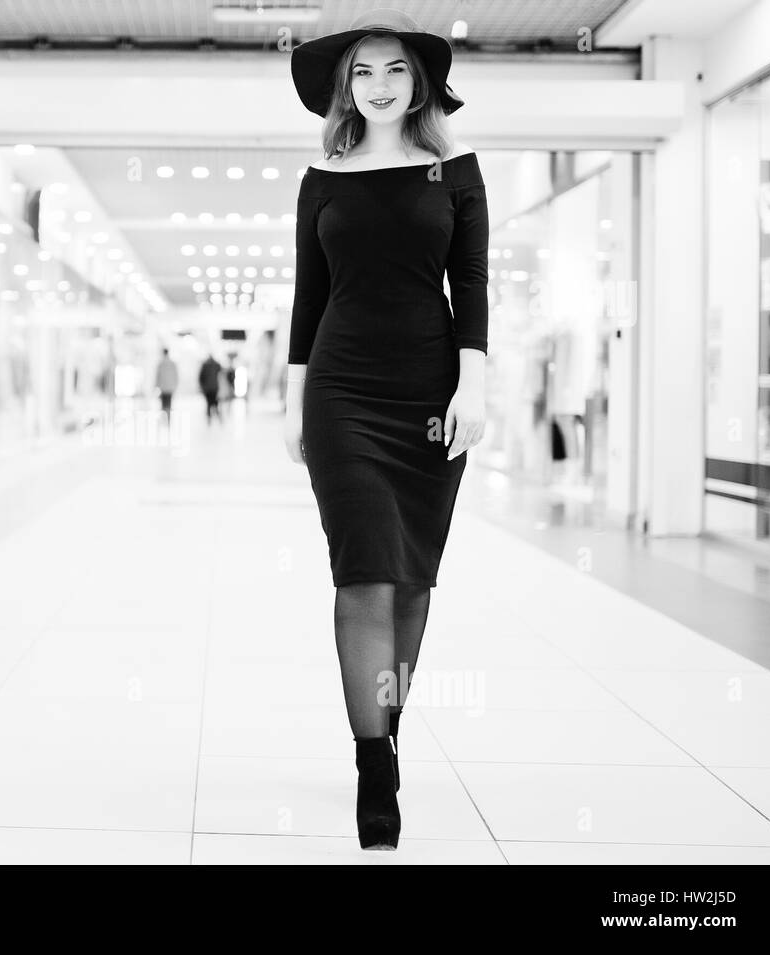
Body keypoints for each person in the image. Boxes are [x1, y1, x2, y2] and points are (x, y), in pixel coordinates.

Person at [285, 8, 488, 850]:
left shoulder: (457, 173)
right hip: (342, 391)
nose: (378, 85)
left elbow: (473, 290)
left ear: (421, 83)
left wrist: (474, 386)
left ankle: (390, 724)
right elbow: (307, 302)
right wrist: (292, 404)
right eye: (363, 72)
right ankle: (376, 766)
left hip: (430, 388)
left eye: (394, 70)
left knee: (412, 580)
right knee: (365, 570)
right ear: (345, 86)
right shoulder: (320, 179)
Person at [155, 348, 178, 427]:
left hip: (163, 387)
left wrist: (156, 386)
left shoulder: (160, 363)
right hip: (170, 387)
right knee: (169, 404)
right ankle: (168, 419)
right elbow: (176, 376)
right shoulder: (172, 363)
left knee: (163, 404)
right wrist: (175, 385)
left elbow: (157, 376)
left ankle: (164, 420)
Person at [198, 352, 223, 424]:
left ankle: (209, 419)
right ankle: (219, 419)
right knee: (215, 403)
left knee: (209, 404)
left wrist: (202, 387)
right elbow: (221, 374)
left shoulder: (205, 365)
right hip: (215, 387)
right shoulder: (216, 365)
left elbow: (200, 377)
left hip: (207, 388)